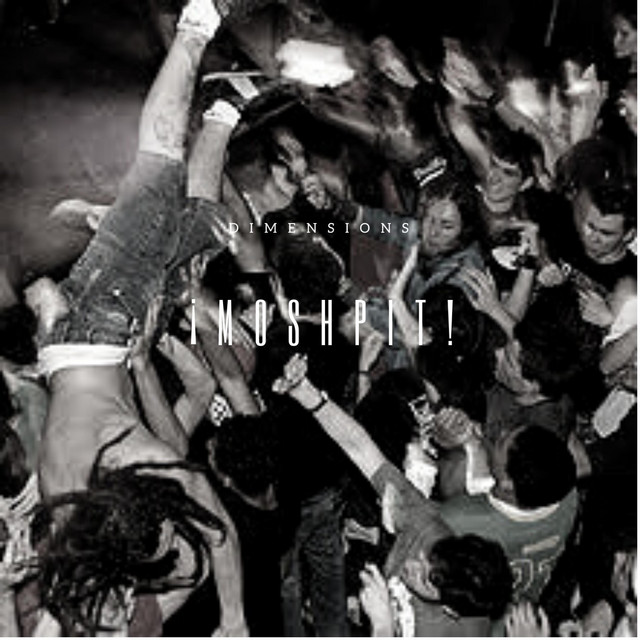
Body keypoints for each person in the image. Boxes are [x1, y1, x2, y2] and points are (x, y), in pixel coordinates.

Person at [25, 0, 250, 633]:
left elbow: (218, 525)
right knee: (208, 229)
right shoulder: (69, 517)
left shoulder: (133, 455)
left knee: (159, 166)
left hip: (105, 319)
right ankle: (224, 110)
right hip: (84, 345)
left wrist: (235, 618)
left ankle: (197, 23)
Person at [272, 352, 513, 636]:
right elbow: (362, 450)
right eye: (427, 556)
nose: (413, 563)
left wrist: (383, 626)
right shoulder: (427, 527)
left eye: (426, 578)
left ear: (451, 610)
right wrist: (308, 395)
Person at [438, 422, 578, 605]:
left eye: (502, 441)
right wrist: (474, 441)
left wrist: (452, 451)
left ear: (507, 485)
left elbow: (450, 494)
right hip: (527, 601)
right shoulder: (568, 495)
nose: (502, 431)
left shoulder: (459, 520)